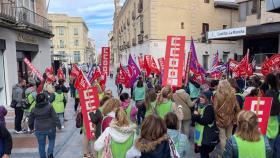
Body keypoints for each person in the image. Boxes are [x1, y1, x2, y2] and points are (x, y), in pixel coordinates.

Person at [29, 93, 61, 158]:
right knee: (52, 140)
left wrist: (31, 127)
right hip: (50, 127)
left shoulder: (33, 109)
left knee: (41, 145)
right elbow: (55, 117)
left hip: (39, 129)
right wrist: (59, 125)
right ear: (45, 99)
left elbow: (30, 120)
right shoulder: (49, 107)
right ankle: (50, 154)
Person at [213, 80, 240, 153]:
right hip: (230, 119)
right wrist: (235, 118)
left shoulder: (217, 95)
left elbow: (215, 109)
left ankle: (223, 154)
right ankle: (230, 153)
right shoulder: (233, 95)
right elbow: (237, 108)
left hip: (220, 119)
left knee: (222, 138)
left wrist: (217, 117)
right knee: (230, 137)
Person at [192, 93, 219, 158]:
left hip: (205, 136)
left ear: (207, 99)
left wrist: (196, 116)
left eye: (203, 97)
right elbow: (193, 120)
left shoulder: (209, 108)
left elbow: (205, 121)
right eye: (200, 97)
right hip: (200, 134)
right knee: (202, 152)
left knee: (204, 153)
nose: (200, 98)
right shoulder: (200, 106)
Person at [264, 73, 280, 158]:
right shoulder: (278, 92)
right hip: (277, 122)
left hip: (270, 122)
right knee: (277, 148)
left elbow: (266, 109)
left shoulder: (268, 93)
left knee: (269, 148)